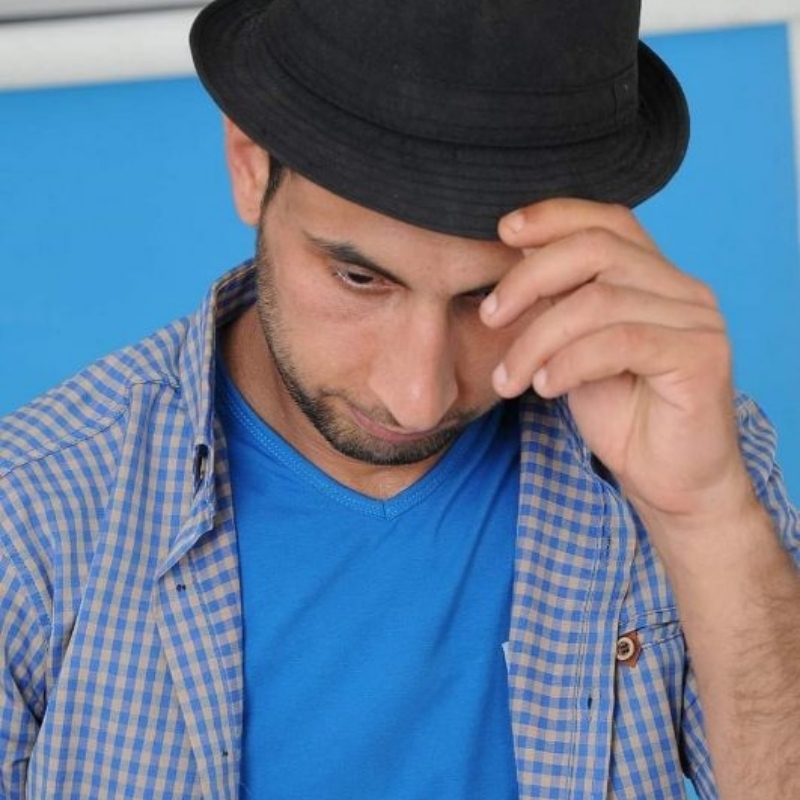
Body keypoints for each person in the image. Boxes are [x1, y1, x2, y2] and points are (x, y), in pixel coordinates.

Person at [1, 0, 798, 797]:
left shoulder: (686, 455)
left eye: (489, 297)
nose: (420, 398)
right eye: (360, 279)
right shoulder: (31, 524)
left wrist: (706, 517)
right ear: (250, 164)